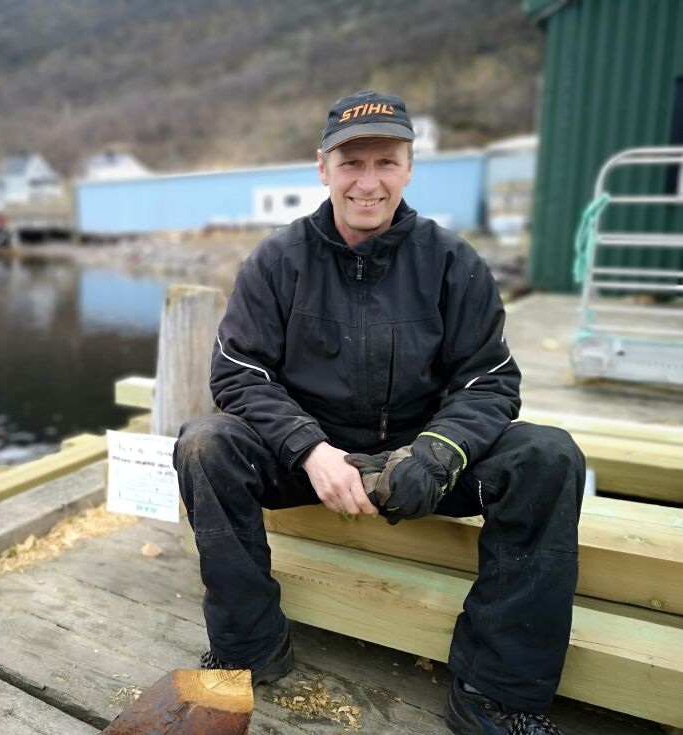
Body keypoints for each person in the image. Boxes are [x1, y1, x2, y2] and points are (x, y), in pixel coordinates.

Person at [173, 90, 584, 735]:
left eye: (386, 163)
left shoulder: (453, 262)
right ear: (322, 168)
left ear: (410, 167)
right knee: (204, 443)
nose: (369, 183)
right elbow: (239, 373)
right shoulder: (276, 262)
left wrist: (437, 454)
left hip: (422, 464)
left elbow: (492, 380)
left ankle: (494, 692)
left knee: (550, 455)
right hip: (310, 464)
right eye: (351, 164)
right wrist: (310, 449)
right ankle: (249, 649)